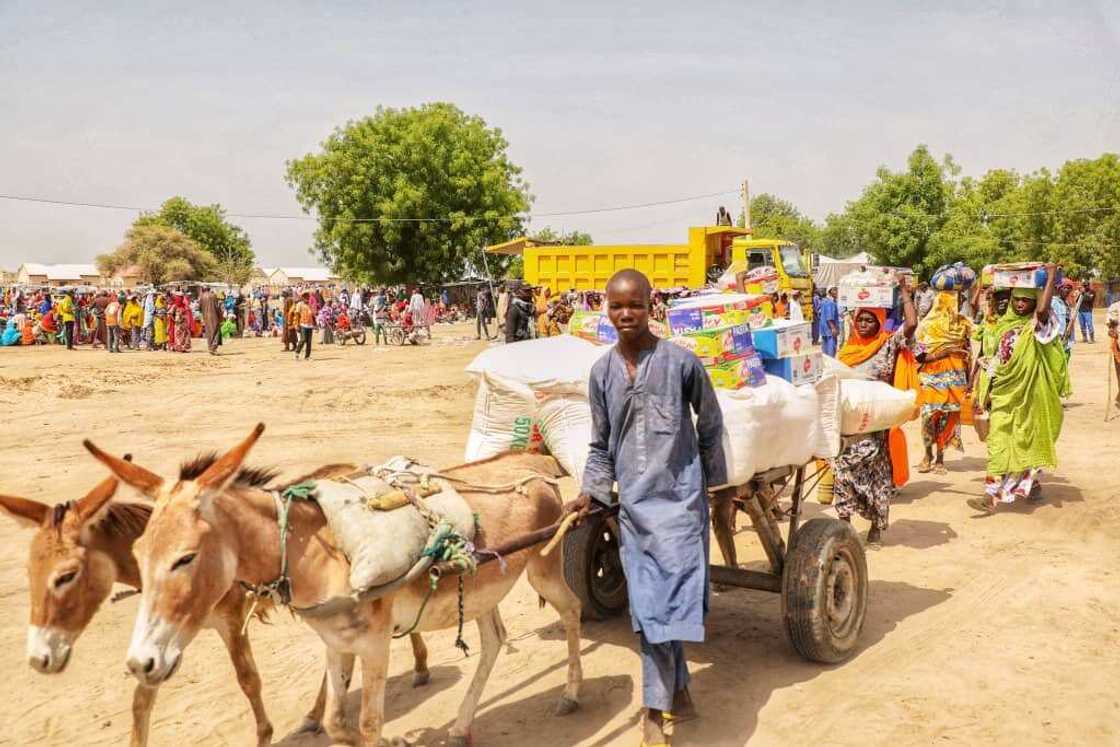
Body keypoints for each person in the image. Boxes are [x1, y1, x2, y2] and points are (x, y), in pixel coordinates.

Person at [568, 269, 725, 747]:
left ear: (651, 305)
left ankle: (657, 707)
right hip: (633, 512)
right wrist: (592, 493)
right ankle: (672, 697)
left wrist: (717, 490)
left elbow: (712, 424)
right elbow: (600, 444)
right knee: (649, 607)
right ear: (606, 309)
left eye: (635, 304)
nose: (626, 314)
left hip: (680, 507)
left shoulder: (680, 362)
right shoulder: (601, 373)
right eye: (617, 306)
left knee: (666, 606)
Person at [969, 266, 1068, 513]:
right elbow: (992, 357)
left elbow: (1044, 310)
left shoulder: (1038, 327)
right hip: (1004, 395)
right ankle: (991, 495)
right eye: (1017, 299)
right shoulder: (1002, 326)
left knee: (1026, 440)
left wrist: (1051, 276)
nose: (1021, 304)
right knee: (999, 441)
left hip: (1030, 397)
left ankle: (1030, 484)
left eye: (1027, 300)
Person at [832, 280, 918, 544]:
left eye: (870, 320)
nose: (864, 324)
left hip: (875, 423)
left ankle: (876, 527)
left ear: (880, 322)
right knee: (842, 472)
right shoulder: (846, 348)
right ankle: (844, 523)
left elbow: (912, 325)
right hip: (849, 425)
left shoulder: (888, 344)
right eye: (860, 320)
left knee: (876, 477)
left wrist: (904, 293)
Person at [914, 291, 972, 474]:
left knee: (948, 419)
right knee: (929, 418)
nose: (956, 306)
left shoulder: (963, 325)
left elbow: (968, 354)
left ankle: (940, 459)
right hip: (932, 378)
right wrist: (943, 353)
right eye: (954, 302)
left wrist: (969, 381)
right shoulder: (927, 326)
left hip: (955, 380)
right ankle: (927, 455)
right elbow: (919, 355)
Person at [200, 286, 223, 355]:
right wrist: (220, 316)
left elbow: (199, 307)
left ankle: (210, 348)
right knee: (216, 331)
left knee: (209, 332)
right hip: (214, 315)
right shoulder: (213, 295)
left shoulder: (201, 297)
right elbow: (217, 307)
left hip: (206, 317)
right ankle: (213, 348)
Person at [818, 288, 840, 357]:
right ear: (830, 292)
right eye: (835, 290)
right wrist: (833, 328)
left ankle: (826, 362)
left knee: (825, 347)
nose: (837, 292)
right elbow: (829, 317)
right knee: (831, 347)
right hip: (830, 328)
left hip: (824, 328)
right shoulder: (831, 303)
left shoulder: (824, 301)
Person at [294, 291, 314, 360]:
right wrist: (296, 325)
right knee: (303, 339)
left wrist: (315, 323)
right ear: (302, 297)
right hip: (303, 324)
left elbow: (312, 315)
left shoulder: (309, 305)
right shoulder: (300, 304)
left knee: (309, 342)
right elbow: (297, 315)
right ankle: (297, 352)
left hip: (310, 325)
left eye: (308, 296)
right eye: (305, 296)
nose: (307, 297)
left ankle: (307, 356)